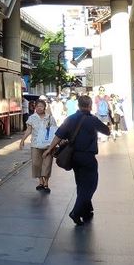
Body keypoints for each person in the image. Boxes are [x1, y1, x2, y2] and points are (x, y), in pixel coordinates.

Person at [43, 95, 110, 225]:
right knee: (90, 185)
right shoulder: (93, 120)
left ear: (78, 105)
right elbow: (107, 131)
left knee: (80, 183)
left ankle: (86, 210)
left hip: (74, 157)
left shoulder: (70, 118)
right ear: (90, 105)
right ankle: (76, 212)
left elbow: (58, 135)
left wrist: (48, 149)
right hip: (87, 157)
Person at [20, 99, 57, 193]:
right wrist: (22, 140)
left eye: (41, 106)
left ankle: (46, 183)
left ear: (44, 107)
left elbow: (54, 131)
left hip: (48, 145)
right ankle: (40, 181)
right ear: (35, 107)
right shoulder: (32, 118)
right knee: (36, 164)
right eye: (37, 106)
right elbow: (28, 130)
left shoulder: (50, 118)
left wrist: (55, 143)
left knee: (47, 164)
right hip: (35, 144)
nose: (39, 108)